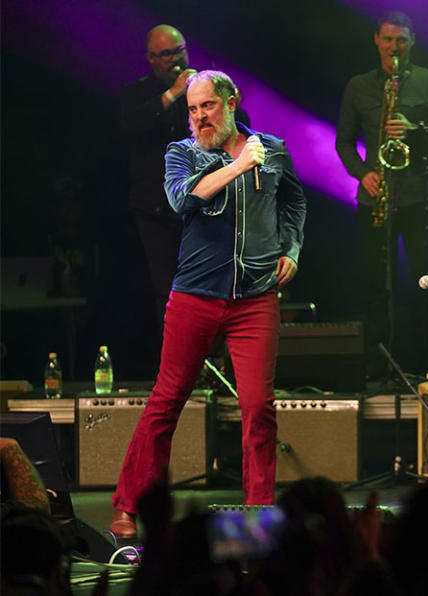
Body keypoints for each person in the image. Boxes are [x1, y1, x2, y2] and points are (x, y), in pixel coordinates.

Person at [110, 70, 307, 539]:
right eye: (193, 109)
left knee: (259, 407)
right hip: (195, 295)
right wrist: (237, 167)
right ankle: (128, 505)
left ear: (231, 102)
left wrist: (292, 250)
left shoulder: (272, 148)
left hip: (255, 297)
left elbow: (294, 203)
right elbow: (182, 200)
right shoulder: (182, 152)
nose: (199, 117)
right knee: (167, 399)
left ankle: (258, 515)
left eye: (207, 107)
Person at [335, 11, 428, 376]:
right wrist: (363, 174)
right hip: (377, 198)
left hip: (420, 197)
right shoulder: (359, 86)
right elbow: (343, 143)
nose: (394, 47)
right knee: (376, 287)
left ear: (412, 41)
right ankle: (378, 366)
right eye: (388, 40)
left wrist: (414, 129)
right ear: (376, 40)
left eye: (401, 40)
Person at [121, 25, 249, 347]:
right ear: (151, 58)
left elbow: (238, 127)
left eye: (180, 51)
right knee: (168, 290)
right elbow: (130, 126)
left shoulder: (203, 89)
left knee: (214, 285)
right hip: (157, 208)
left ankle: (216, 363)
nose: (175, 60)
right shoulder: (137, 93)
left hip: (205, 205)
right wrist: (173, 94)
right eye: (166, 54)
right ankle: (176, 364)